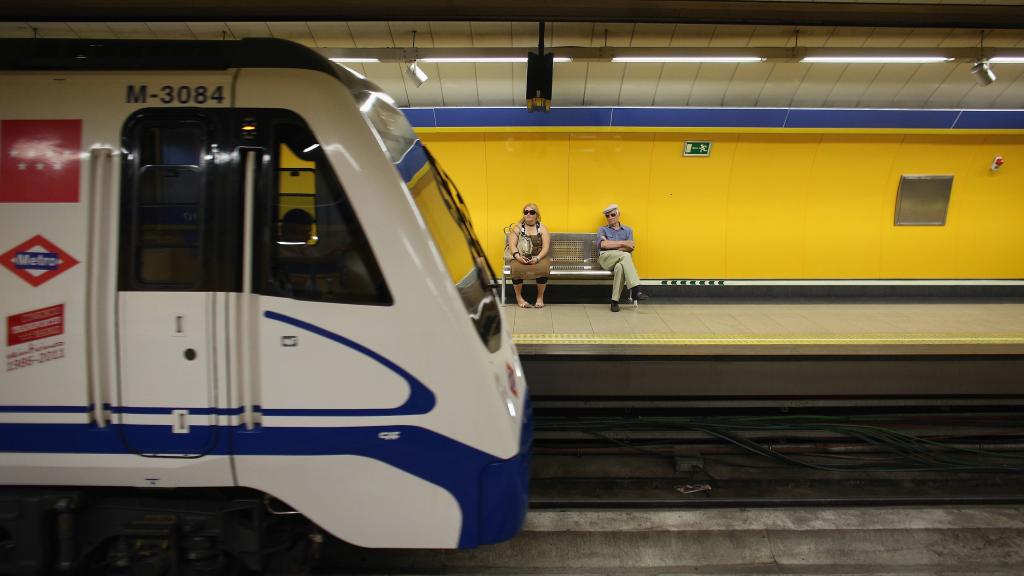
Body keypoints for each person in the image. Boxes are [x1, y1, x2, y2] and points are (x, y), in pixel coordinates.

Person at [597, 204, 648, 312]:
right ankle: (635, 289)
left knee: (620, 267)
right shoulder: (602, 229)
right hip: (606, 259)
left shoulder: (628, 230)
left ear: (618, 214)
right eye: (607, 216)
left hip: (620, 259)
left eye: (612, 214)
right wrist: (624, 243)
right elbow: (604, 245)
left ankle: (614, 301)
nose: (610, 217)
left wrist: (613, 245)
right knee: (625, 255)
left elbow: (631, 247)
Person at [507, 203, 551, 308]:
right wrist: (518, 257)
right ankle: (519, 297)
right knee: (516, 268)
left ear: (537, 215)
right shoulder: (517, 228)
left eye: (532, 212)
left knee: (543, 268)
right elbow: (512, 245)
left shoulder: (542, 228)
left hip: (538, 256)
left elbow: (546, 247)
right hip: (520, 256)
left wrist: (538, 258)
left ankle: (540, 297)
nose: (528, 214)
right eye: (526, 212)